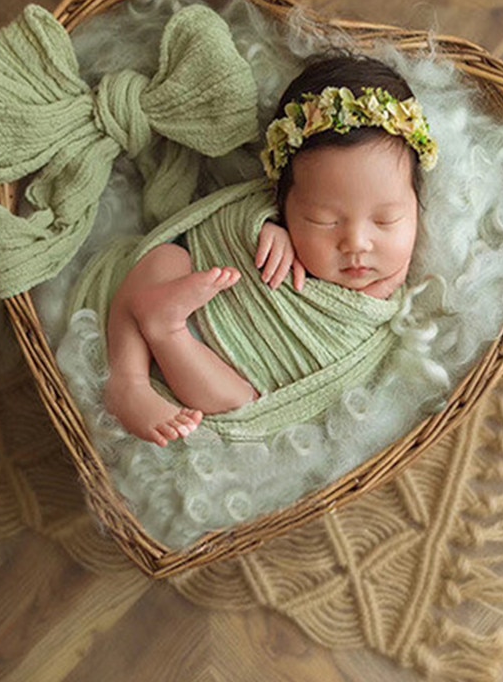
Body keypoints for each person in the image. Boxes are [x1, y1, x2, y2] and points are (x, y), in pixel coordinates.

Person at [102, 54, 438, 446]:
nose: (357, 244)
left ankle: (167, 329)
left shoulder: (392, 285)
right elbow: (225, 218)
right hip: (189, 287)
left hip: (219, 371)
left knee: (242, 399)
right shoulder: (266, 216)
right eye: (323, 220)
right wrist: (266, 223)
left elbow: (358, 328)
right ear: (284, 200)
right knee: (163, 259)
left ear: (415, 204)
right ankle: (128, 382)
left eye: (386, 220)